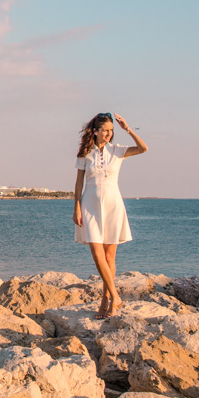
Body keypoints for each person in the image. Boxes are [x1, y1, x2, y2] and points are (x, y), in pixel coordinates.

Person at [73, 112, 147, 318]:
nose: (108, 134)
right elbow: (79, 183)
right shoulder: (85, 153)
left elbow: (143, 148)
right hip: (90, 204)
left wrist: (128, 129)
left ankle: (106, 300)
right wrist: (76, 207)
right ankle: (116, 296)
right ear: (95, 131)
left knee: (109, 256)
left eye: (111, 131)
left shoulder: (117, 151)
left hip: (113, 203)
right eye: (105, 130)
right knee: (97, 254)